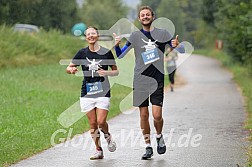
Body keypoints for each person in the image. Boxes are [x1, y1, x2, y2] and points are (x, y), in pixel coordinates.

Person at [113, 6, 184, 160]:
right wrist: (117, 45)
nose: (145, 17)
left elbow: (181, 49)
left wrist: (178, 45)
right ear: (139, 19)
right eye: (142, 15)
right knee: (143, 115)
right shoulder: (135, 36)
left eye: (147, 14)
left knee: (157, 115)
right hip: (140, 80)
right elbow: (120, 55)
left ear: (153, 16)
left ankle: (159, 136)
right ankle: (148, 146)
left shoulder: (163, 33)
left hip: (157, 79)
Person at [66, 26, 118, 160]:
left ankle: (107, 135)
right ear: (86, 37)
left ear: (97, 36)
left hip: (103, 91)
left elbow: (115, 71)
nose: (91, 36)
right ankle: (98, 149)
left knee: (101, 122)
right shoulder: (82, 53)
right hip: (87, 92)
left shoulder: (106, 53)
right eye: (88, 34)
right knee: (93, 124)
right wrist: (71, 69)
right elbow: (69, 66)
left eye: (93, 33)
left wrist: (106, 72)